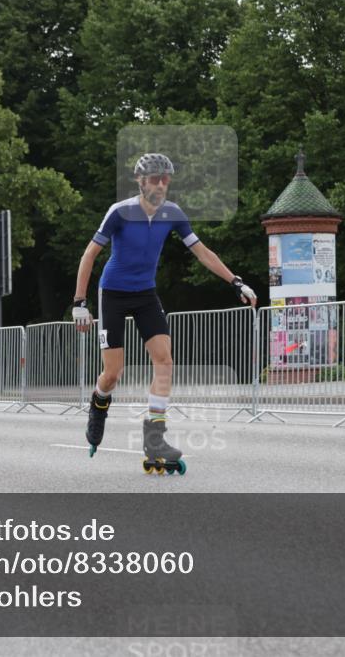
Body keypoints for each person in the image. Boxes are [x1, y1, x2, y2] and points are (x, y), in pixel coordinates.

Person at [72, 153, 256, 472]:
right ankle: (98, 402)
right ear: (140, 181)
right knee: (114, 373)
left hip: (145, 293)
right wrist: (79, 303)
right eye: (155, 178)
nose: (161, 184)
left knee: (164, 360)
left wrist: (235, 281)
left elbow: (202, 253)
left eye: (166, 178)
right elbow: (89, 255)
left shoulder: (173, 213)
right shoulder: (120, 212)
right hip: (113, 293)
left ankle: (154, 438)